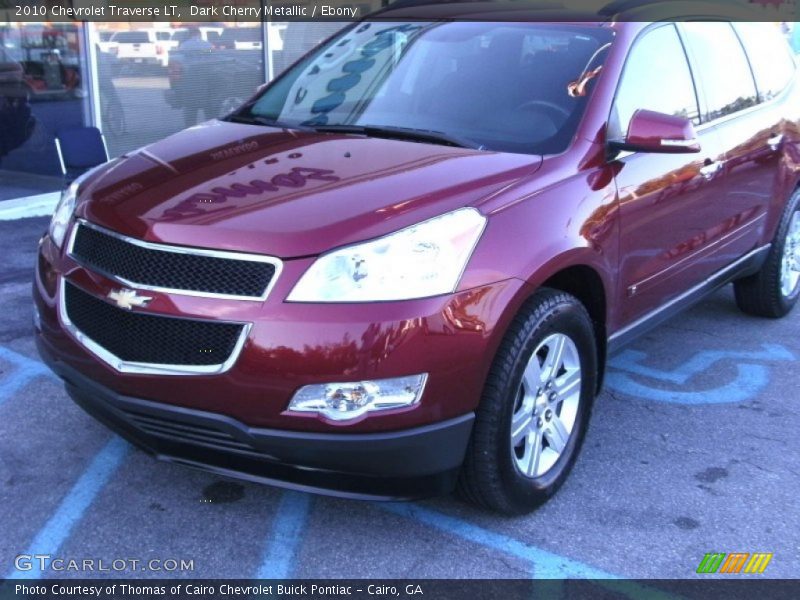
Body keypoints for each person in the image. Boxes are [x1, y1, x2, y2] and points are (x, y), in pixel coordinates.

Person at [177, 28, 213, 127]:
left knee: (190, 104)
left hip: (190, 75)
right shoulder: (207, 44)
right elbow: (212, 55)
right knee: (208, 103)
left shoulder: (184, 45)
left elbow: (180, 57)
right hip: (206, 75)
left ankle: (190, 126)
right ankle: (210, 125)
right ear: (199, 34)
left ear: (190, 34)